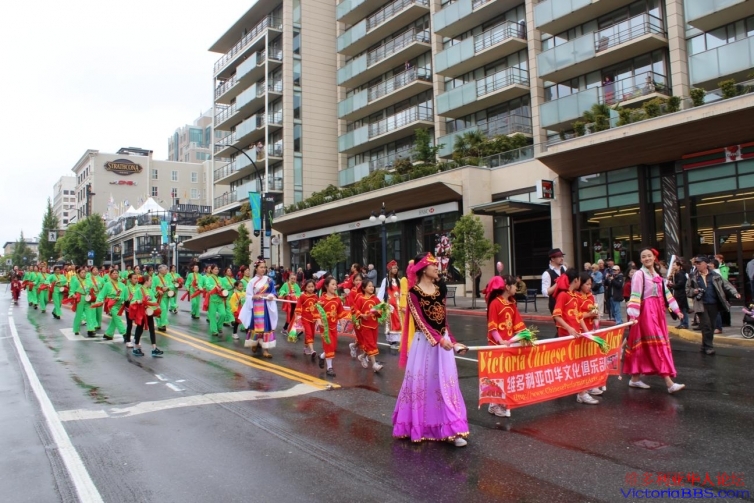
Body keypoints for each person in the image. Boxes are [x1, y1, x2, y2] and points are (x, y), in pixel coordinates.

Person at [393, 253, 469, 447]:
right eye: (433, 265)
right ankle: (421, 427)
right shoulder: (413, 293)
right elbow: (421, 322)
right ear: (423, 269)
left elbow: (444, 321)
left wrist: (453, 342)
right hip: (425, 345)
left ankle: (452, 429)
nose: (437, 268)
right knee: (423, 385)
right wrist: (439, 341)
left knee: (447, 385)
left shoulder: (439, 290)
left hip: (442, 343)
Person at [625, 248, 685, 393]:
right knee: (657, 345)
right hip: (646, 313)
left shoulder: (656, 275)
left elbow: (666, 293)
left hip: (658, 313)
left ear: (654, 258)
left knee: (645, 346)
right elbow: (635, 294)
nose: (647, 258)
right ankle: (669, 383)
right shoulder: (639, 275)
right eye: (643, 256)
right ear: (640, 260)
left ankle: (635, 379)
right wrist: (633, 315)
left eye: (649, 256)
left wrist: (676, 310)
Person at [552, 268, 600, 405]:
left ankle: (581, 392)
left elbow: (578, 317)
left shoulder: (574, 296)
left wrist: (587, 332)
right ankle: (581, 392)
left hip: (576, 334)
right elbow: (556, 315)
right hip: (566, 335)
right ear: (576, 280)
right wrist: (569, 328)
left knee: (578, 363)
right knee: (572, 364)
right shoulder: (563, 295)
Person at [485, 275, 526, 417]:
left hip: (508, 344)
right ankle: (493, 404)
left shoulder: (512, 304)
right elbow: (492, 327)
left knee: (506, 374)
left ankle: (500, 402)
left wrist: (525, 335)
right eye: (514, 285)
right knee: (496, 375)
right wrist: (500, 341)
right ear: (507, 287)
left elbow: (518, 324)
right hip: (496, 345)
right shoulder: (495, 303)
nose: (516, 288)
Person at [686, 255, 739, 356]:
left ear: (705, 264)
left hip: (714, 304)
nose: (697, 265)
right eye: (696, 263)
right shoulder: (692, 276)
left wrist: (735, 293)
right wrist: (694, 291)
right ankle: (709, 347)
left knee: (711, 326)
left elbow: (726, 284)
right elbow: (687, 290)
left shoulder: (715, 275)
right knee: (706, 326)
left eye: (699, 263)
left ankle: (704, 346)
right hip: (701, 304)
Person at [239, 259, 278, 358]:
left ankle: (266, 349)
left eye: (264, 267)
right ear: (256, 268)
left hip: (266, 307)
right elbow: (248, 296)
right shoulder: (252, 282)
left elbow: (273, 292)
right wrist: (254, 296)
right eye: (261, 267)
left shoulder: (269, 280)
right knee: (256, 327)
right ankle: (254, 343)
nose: (263, 269)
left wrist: (271, 296)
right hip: (256, 307)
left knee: (266, 327)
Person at [314, 277, 349, 376]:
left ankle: (321, 356)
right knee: (329, 345)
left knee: (333, 346)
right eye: (332, 284)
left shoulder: (337, 299)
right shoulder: (322, 300)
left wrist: (342, 323)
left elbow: (340, 313)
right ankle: (329, 368)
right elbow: (316, 312)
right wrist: (319, 321)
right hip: (325, 327)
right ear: (326, 286)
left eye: (335, 284)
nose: (335, 286)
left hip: (334, 326)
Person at [353, 279, 385, 372]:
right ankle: (374, 364)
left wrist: (379, 312)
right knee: (371, 344)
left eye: (372, 286)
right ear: (364, 288)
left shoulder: (375, 299)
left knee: (372, 344)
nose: (372, 287)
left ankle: (362, 356)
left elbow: (381, 309)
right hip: (365, 326)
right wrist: (362, 315)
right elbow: (356, 310)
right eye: (369, 286)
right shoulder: (360, 299)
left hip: (374, 325)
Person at [129, 275, 163, 357]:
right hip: (141, 312)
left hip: (149, 312)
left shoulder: (150, 290)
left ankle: (154, 348)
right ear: (146, 281)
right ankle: (135, 347)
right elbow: (132, 301)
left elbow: (154, 300)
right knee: (139, 329)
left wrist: (152, 304)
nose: (151, 282)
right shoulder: (139, 290)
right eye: (150, 280)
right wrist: (139, 301)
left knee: (152, 329)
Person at [378, 260, 406, 348]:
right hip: (390, 305)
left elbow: (402, 292)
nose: (395, 270)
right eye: (393, 268)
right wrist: (379, 303)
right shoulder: (386, 280)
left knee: (399, 322)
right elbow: (381, 292)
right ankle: (392, 341)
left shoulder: (399, 280)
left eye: (396, 268)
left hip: (398, 305)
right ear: (390, 269)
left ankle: (398, 340)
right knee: (391, 322)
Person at [94, 268, 127, 341]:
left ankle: (108, 334)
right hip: (111, 304)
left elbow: (125, 295)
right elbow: (102, 294)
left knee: (114, 319)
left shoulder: (122, 285)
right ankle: (124, 333)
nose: (115, 275)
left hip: (120, 304)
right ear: (110, 275)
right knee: (117, 318)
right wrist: (98, 301)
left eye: (117, 273)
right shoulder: (107, 284)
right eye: (113, 273)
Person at [294, 279, 319, 358]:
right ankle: (312, 350)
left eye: (312, 286)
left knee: (312, 334)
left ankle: (306, 348)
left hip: (313, 319)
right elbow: (298, 306)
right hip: (305, 318)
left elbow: (318, 307)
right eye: (309, 287)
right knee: (309, 333)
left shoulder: (315, 296)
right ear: (305, 288)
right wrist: (297, 316)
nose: (311, 288)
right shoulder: (302, 296)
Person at [203, 264, 228, 338]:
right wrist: (215, 287)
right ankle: (214, 331)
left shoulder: (220, 279)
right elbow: (208, 286)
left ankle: (219, 326)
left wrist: (222, 288)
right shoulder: (209, 278)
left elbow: (224, 286)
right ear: (211, 270)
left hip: (220, 300)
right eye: (215, 269)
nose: (216, 270)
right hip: (212, 300)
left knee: (223, 314)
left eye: (217, 269)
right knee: (212, 316)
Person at [541, 248, 566, 313]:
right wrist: (558, 283)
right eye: (559, 257)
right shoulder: (547, 273)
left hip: (566, 302)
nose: (562, 258)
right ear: (552, 259)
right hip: (555, 303)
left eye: (562, 256)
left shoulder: (564, 268)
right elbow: (545, 292)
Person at [668, 258, 689, 329]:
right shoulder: (676, 274)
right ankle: (682, 323)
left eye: (674, 265)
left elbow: (680, 284)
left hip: (681, 294)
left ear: (679, 266)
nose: (673, 266)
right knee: (679, 309)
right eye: (673, 265)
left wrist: (672, 285)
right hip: (677, 294)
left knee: (682, 309)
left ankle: (685, 323)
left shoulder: (681, 274)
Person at [152, 265, 171, 331]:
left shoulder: (168, 277)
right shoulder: (155, 278)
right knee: (163, 309)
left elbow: (171, 285)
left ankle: (160, 324)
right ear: (160, 270)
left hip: (166, 296)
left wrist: (168, 288)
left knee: (165, 311)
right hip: (159, 297)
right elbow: (153, 288)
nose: (166, 271)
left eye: (166, 269)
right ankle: (163, 323)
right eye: (165, 269)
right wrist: (158, 291)